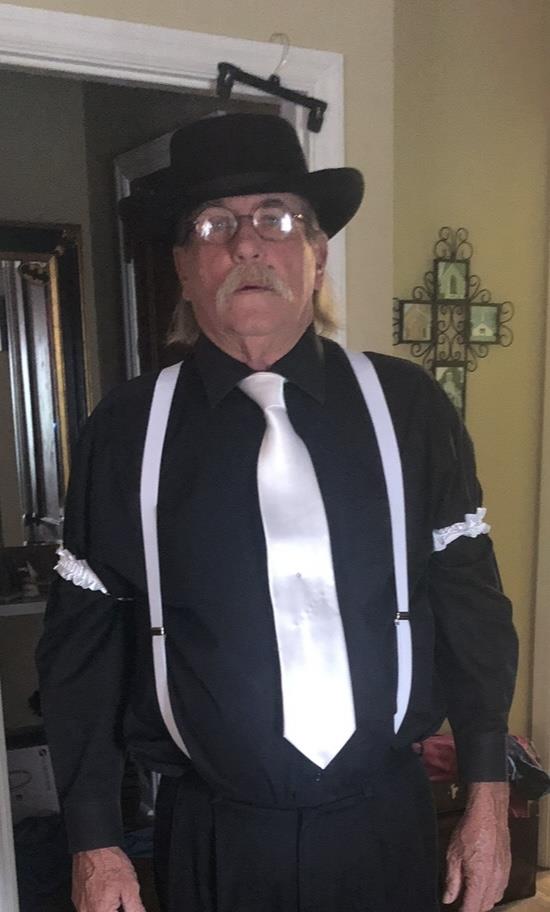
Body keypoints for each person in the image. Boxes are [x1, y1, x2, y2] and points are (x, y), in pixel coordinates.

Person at [37, 113, 518, 912]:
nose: (248, 245)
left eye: (276, 218)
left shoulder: (408, 406)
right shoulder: (126, 432)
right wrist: (94, 837)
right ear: (186, 269)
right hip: (215, 837)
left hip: (388, 825)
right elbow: (79, 654)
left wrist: (489, 802)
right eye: (214, 226)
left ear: (317, 255)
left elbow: (472, 609)